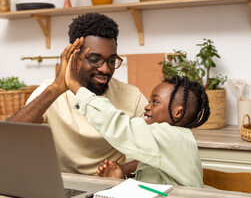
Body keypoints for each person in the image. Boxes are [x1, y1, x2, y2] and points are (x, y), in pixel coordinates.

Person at [8, 13, 148, 175]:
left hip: (110, 186)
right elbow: (10, 135)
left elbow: (160, 153)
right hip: (62, 186)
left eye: (111, 60)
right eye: (95, 59)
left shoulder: (132, 97)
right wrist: (56, 89)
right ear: (75, 56)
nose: (105, 69)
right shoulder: (51, 91)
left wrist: (120, 170)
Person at [64, 48, 210, 187]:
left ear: (178, 112)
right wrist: (121, 178)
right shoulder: (162, 141)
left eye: (155, 102)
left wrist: (76, 87)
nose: (147, 106)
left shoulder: (172, 137)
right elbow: (154, 187)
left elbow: (121, 127)